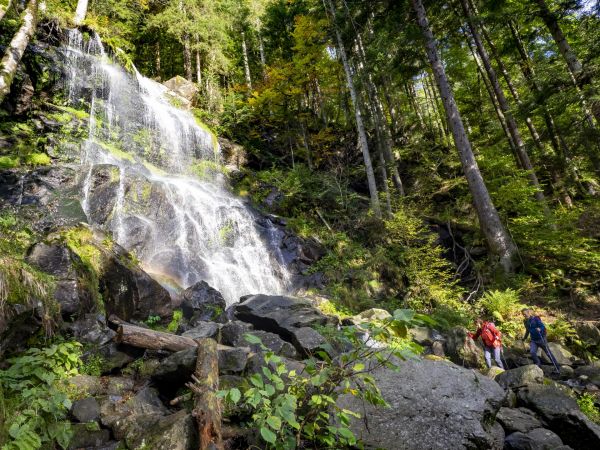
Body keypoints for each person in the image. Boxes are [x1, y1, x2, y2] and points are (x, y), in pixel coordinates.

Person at [521, 308, 560, 373]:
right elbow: (527, 330)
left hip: (541, 338)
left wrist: (540, 329)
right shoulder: (525, 321)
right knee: (532, 352)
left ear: (529, 312)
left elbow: (542, 326)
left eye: (525, 314)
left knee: (548, 353)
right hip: (533, 340)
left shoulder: (536, 318)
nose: (524, 316)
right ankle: (538, 364)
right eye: (523, 315)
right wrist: (524, 338)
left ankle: (557, 368)